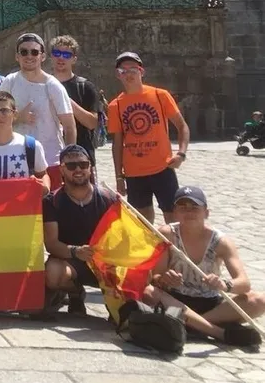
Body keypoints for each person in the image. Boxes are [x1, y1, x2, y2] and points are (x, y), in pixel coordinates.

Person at [144, 186, 265, 347]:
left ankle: (189, 324)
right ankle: (217, 332)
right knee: (148, 292)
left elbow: (244, 283)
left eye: (195, 207)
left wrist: (225, 285)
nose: (189, 212)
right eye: (183, 207)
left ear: (206, 213)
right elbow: (156, 278)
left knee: (258, 300)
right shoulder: (166, 234)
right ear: (174, 212)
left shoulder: (221, 242)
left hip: (210, 302)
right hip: (176, 298)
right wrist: (165, 279)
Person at [109, 51, 190, 225]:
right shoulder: (115, 105)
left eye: (133, 69)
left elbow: (182, 126)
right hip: (134, 173)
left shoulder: (160, 96)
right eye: (123, 71)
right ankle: (150, 253)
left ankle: (175, 252)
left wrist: (181, 154)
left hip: (163, 168)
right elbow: (117, 144)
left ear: (141, 72)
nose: (128, 74)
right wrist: (119, 176)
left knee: (173, 220)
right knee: (143, 225)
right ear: (118, 75)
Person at [0, 33, 76, 189]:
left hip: (50, 160)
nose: (29, 56)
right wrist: (19, 118)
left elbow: (69, 126)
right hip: (16, 161)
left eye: (34, 52)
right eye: (24, 52)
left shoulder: (52, 86)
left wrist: (69, 161)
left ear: (43, 56)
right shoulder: (10, 82)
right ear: (17, 56)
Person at [41, 145, 107, 317]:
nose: (78, 169)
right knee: (53, 274)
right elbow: (51, 244)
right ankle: (75, 292)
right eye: (71, 166)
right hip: (70, 260)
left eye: (83, 165)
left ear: (90, 168)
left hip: (104, 261)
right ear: (62, 170)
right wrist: (75, 251)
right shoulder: (51, 202)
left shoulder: (109, 198)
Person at [50, 35, 101, 173]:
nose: (61, 58)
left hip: (81, 159)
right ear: (51, 57)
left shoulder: (85, 87)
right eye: (57, 53)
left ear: (74, 59)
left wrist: (66, 101)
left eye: (66, 54)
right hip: (50, 158)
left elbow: (92, 123)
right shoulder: (43, 85)